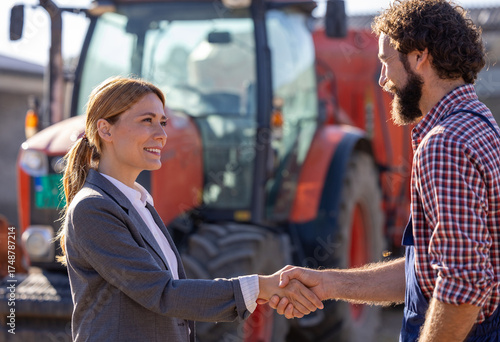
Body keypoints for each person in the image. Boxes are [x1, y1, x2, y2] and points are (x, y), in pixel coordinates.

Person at [270, 0, 500, 341]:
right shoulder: (480, 124)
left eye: (385, 62)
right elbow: (426, 271)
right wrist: (330, 283)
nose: (382, 80)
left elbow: (463, 284)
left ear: (419, 57)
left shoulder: (444, 144)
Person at [56, 76, 323, 342]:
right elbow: (162, 294)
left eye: (162, 122)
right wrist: (261, 286)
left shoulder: (139, 204)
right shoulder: (93, 208)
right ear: (106, 130)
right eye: (146, 121)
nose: (161, 135)